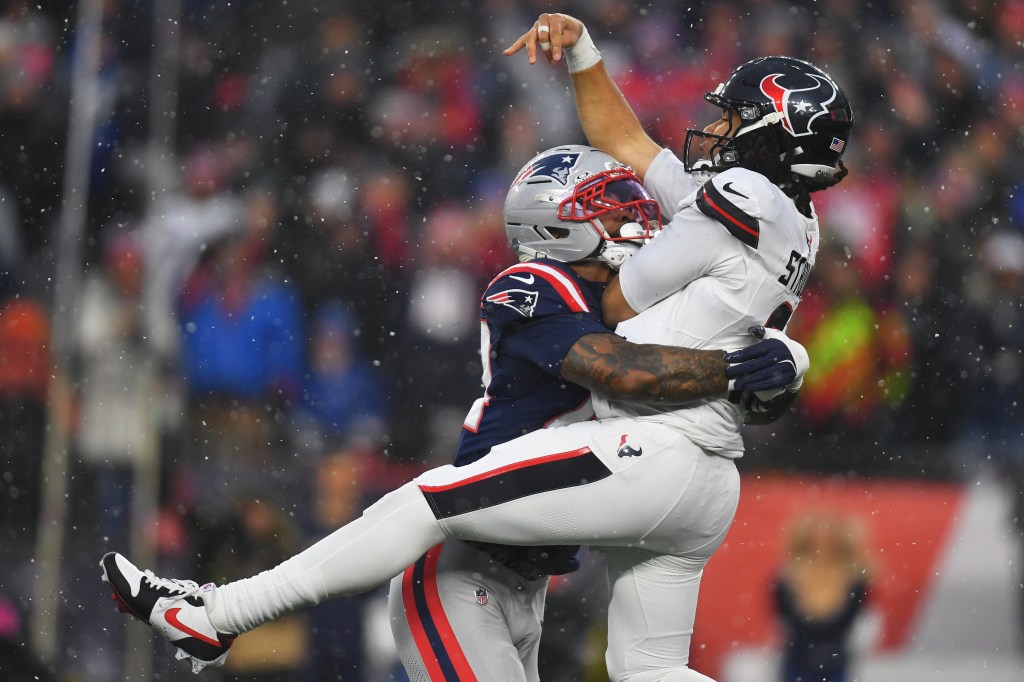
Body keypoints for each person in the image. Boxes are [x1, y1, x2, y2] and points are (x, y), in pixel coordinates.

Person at [99, 142, 807, 678]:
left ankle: (214, 615)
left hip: (524, 577)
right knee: (421, 499)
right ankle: (217, 614)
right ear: (560, 226)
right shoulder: (532, 283)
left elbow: (728, 313)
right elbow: (622, 369)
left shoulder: (637, 295)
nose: (634, 217)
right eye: (609, 206)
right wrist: (738, 370)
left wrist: (784, 359)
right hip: (459, 565)